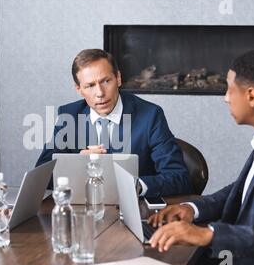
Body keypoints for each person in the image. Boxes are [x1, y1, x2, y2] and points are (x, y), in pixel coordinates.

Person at [149, 49, 254, 265]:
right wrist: (192, 209)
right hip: (241, 262)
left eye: (230, 88)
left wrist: (208, 234)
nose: (226, 98)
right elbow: (243, 189)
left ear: (251, 96)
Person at [36, 49, 191, 199]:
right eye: (90, 86)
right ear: (79, 89)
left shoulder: (151, 115)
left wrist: (136, 185)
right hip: (84, 210)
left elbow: (177, 176)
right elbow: (41, 177)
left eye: (106, 81)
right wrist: (77, 163)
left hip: (134, 209)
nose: (100, 93)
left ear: (118, 78)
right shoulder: (68, 115)